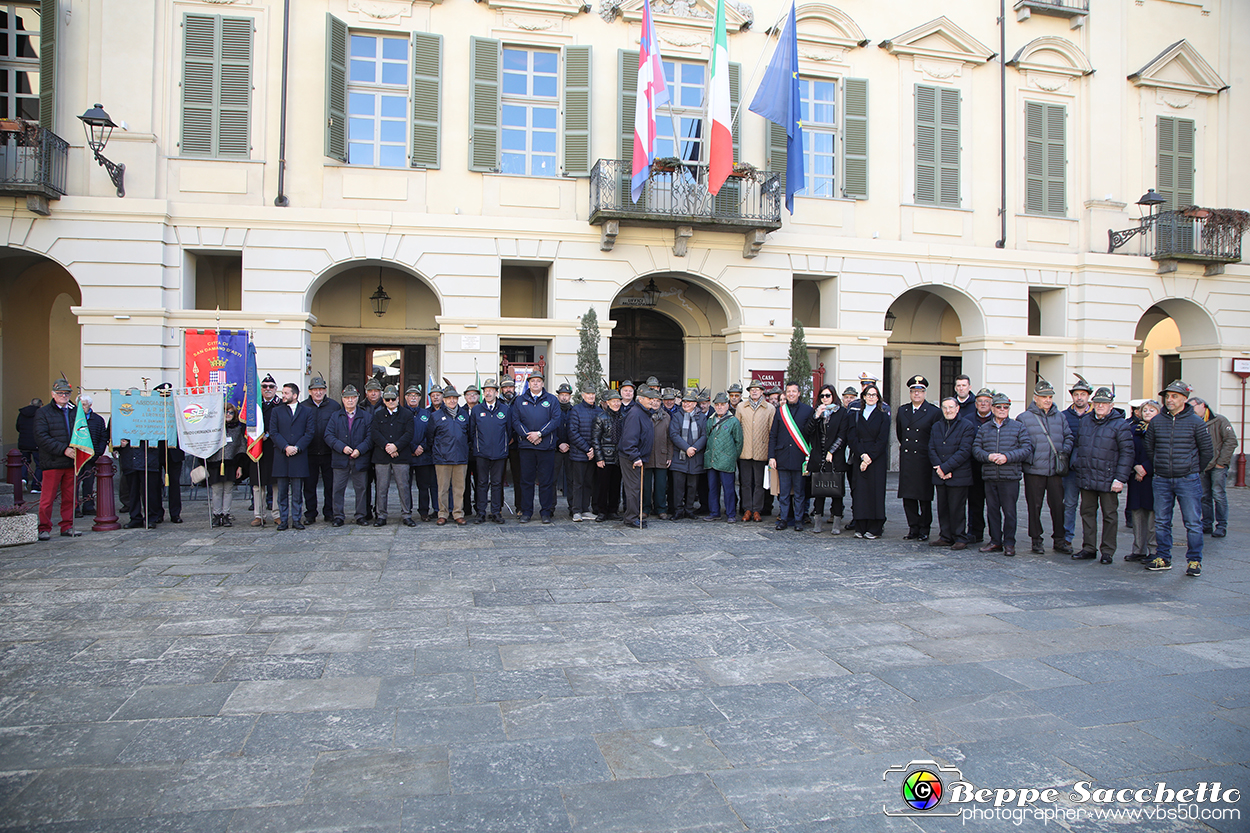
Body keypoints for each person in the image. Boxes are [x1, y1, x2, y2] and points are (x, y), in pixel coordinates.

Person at [1144, 380, 1214, 576]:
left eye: (1174, 396)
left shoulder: (1196, 422)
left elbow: (1207, 451)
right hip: (1162, 479)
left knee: (1192, 522)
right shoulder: (1157, 421)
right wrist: (1159, 465)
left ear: (1184, 398)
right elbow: (1150, 448)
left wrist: (1193, 469)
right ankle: (1163, 557)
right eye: (1167, 396)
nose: (1169, 400)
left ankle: (1194, 560)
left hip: (1188, 479)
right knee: (1162, 521)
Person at [1070, 387, 1134, 564]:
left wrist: (1120, 478)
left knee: (1110, 516)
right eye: (1097, 403)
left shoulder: (1120, 425)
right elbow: (1078, 446)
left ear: (1111, 406)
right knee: (1087, 513)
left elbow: (1127, 453)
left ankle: (1107, 551)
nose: (1100, 406)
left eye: (1104, 403)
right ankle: (1089, 548)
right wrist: (1077, 464)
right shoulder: (1086, 422)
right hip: (1087, 476)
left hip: (1109, 478)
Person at [973, 392, 1033, 557]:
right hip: (990, 476)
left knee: (1010, 512)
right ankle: (995, 541)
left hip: (1010, 477)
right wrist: (988, 457)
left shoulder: (1018, 427)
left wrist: (1007, 457)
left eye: (1005, 407)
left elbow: (1026, 449)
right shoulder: (984, 428)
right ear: (993, 408)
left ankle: (1009, 543)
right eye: (998, 406)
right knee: (992, 511)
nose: (1002, 409)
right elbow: (976, 450)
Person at [1021, 379, 1075, 555]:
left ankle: (1060, 539)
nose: (1048, 400)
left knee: (1058, 506)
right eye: (1044, 397)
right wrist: (1031, 457)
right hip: (1034, 470)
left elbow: (1069, 437)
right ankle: (1036, 540)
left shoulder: (1060, 416)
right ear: (1035, 397)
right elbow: (1021, 442)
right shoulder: (1024, 418)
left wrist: (1063, 453)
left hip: (1055, 470)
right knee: (1034, 507)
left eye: (1050, 397)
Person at [32, 379, 84, 540]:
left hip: (71, 461)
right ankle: (44, 528)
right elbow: (41, 437)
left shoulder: (75, 411)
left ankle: (67, 526)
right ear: (53, 394)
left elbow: (82, 431)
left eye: (67, 393)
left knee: (70, 497)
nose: (64, 396)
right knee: (47, 498)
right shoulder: (43, 412)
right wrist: (64, 450)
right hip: (53, 461)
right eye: (60, 393)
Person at [509, 371, 562, 524]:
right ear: (529, 383)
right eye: (533, 381)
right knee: (526, 481)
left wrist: (539, 434)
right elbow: (516, 421)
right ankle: (526, 512)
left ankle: (545, 512)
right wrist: (529, 435)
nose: (536, 383)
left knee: (546, 481)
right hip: (526, 447)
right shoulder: (520, 400)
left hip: (546, 447)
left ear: (543, 383)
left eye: (538, 381)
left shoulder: (552, 400)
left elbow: (555, 420)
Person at [895, 375, 941, 541]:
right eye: (914, 391)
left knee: (924, 497)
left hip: (923, 459)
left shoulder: (934, 412)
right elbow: (901, 433)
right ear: (910, 393)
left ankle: (924, 528)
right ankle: (913, 527)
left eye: (920, 391)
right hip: (908, 459)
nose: (916, 394)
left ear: (925, 393)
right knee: (908, 497)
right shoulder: (903, 410)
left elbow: (935, 436)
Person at [928, 396, 977, 549]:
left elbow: (964, 451)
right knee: (942, 507)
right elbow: (931, 448)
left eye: (951, 407)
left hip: (958, 474)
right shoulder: (936, 426)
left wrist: (946, 468)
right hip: (940, 474)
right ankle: (945, 536)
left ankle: (960, 537)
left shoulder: (967, 426)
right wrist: (939, 468)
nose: (948, 410)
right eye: (945, 407)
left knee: (957, 507)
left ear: (957, 409)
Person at [768, 382, 815, 531]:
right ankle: (784, 519)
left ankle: (799, 520)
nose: (791, 394)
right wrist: (772, 456)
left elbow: (810, 434)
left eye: (794, 391)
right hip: (782, 457)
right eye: (788, 391)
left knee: (800, 493)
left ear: (799, 393)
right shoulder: (780, 411)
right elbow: (773, 435)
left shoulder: (808, 411)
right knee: (784, 492)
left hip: (800, 458)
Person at [324, 384, 372, 526]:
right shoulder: (335, 416)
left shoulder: (366, 416)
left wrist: (360, 450)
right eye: (347, 398)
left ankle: (360, 515)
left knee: (361, 489)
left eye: (353, 398)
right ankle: (338, 516)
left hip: (360, 458)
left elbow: (370, 437)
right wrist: (342, 447)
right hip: (340, 458)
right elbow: (328, 435)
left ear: (358, 399)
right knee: (338, 488)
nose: (350, 400)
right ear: (342, 400)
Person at [1189, 397, 1236, 538]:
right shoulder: (1193, 422)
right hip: (1202, 464)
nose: (1190, 410)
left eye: (1193, 406)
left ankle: (1221, 525)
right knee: (1204, 495)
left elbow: (1231, 441)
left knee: (1218, 494)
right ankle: (1206, 524)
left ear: (1202, 405)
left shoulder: (1220, 420)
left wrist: (1222, 462)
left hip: (1218, 465)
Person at [269, 382, 313, 530]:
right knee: (281, 492)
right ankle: (283, 520)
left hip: (299, 456)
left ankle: (296, 519)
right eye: (283, 393)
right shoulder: (277, 411)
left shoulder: (306, 411)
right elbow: (273, 432)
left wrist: (297, 447)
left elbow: (309, 433)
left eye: (286, 393)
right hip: (282, 455)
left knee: (297, 492)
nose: (283, 395)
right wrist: (286, 447)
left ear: (295, 395)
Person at [370, 385, 415, 527]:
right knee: (381, 488)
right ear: (383, 400)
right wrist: (387, 447)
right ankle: (381, 515)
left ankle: (407, 515)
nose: (391, 401)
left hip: (401, 456)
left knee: (404, 487)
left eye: (393, 399)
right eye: (387, 399)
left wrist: (396, 446)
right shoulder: (377, 415)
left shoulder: (406, 414)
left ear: (398, 399)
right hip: (382, 456)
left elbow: (409, 434)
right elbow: (375, 433)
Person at [848, 384, 889, 538]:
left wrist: (869, 457)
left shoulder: (883, 416)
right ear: (863, 397)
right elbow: (852, 437)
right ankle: (860, 526)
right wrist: (862, 456)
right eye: (868, 394)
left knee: (875, 492)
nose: (871, 397)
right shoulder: (855, 415)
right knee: (860, 492)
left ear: (878, 398)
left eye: (874, 394)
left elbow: (882, 439)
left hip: (876, 459)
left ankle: (875, 527)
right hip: (860, 456)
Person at [300, 375, 340, 525]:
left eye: (321, 389)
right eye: (315, 390)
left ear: (325, 391)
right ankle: (310, 513)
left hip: (329, 452)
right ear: (310, 391)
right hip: (309, 453)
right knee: (309, 485)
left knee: (330, 485)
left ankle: (329, 512)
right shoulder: (303, 406)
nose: (318, 392)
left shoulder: (334, 406)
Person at [807, 385, 847, 533]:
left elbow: (843, 434)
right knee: (819, 492)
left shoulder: (841, 412)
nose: (825, 398)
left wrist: (832, 451)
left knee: (836, 491)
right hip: (819, 455)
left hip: (835, 457)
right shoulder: (817, 412)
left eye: (828, 396)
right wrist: (816, 416)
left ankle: (836, 522)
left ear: (834, 397)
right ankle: (818, 522)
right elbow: (808, 431)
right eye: (822, 396)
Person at [470, 379, 510, 524]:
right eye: (486, 390)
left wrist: (503, 446)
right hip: (482, 454)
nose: (488, 392)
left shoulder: (505, 409)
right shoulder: (476, 410)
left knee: (497, 483)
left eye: (491, 390)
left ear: (496, 392)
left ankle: (496, 512)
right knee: (481, 483)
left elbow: (509, 431)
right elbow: (471, 431)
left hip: (499, 453)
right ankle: (480, 512)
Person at [430, 385, 471, 525]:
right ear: (444, 400)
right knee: (442, 489)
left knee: (459, 489)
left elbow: (469, 435)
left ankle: (458, 513)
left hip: (460, 458)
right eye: (449, 398)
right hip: (442, 458)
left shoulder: (464, 415)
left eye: (454, 398)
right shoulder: (435, 416)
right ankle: (443, 514)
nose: (452, 401)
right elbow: (430, 437)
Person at [1061, 375, 1094, 548]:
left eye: (1083, 394)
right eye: (1076, 394)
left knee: (1089, 507)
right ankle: (1067, 536)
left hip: (1091, 467)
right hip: (1070, 468)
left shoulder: (1096, 415)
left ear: (1088, 396)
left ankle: (1090, 542)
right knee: (1069, 503)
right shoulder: (1064, 416)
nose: (1079, 397)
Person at [735, 380, 774, 522]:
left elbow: (772, 431)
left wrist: (771, 453)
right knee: (745, 482)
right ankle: (747, 509)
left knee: (759, 483)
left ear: (762, 391)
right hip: (744, 451)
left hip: (761, 452)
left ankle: (757, 510)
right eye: (752, 389)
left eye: (757, 389)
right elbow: (736, 428)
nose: (755, 392)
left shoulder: (769, 408)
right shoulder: (741, 407)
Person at [618, 385, 657, 528]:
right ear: (640, 399)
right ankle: (631, 518)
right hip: (631, 458)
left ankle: (633, 515)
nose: (652, 401)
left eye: (653, 398)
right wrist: (635, 457)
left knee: (636, 488)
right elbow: (629, 439)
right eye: (649, 398)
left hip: (638, 456)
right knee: (633, 489)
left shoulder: (644, 412)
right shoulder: (635, 413)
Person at [1125, 400, 1159, 562]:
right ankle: (1138, 549)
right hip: (1136, 478)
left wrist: (1145, 468)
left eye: (1151, 410)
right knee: (1137, 513)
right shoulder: (1134, 429)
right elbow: (1127, 450)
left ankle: (1153, 549)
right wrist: (1136, 467)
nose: (1147, 413)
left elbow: (1162, 453)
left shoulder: (1161, 430)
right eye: (1145, 410)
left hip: (1153, 478)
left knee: (1152, 515)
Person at [668, 389, 708, 521]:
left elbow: (704, 435)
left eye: (689, 402)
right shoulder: (677, 416)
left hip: (695, 457)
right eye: (684, 401)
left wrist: (694, 448)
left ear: (695, 403)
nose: (686, 404)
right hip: (679, 457)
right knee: (678, 486)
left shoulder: (701, 417)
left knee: (692, 486)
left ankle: (689, 509)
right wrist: (687, 448)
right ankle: (678, 510)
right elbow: (674, 435)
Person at [703, 392, 743, 522]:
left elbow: (739, 442)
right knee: (712, 488)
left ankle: (731, 514)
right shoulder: (710, 420)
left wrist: (732, 457)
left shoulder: (733, 421)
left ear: (727, 406)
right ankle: (714, 512)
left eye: (722, 405)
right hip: (712, 459)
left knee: (728, 489)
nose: (720, 407)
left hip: (726, 460)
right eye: (717, 405)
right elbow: (708, 438)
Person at [207, 403, 245, 527]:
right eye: (225, 412)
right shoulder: (214, 428)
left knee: (228, 490)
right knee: (217, 490)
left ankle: (226, 514)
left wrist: (240, 465)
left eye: (231, 412)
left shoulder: (237, 429)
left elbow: (241, 447)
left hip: (230, 463)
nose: (228, 415)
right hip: (215, 463)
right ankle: (216, 515)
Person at [964, 388, 994, 544]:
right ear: (975, 404)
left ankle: (996, 535)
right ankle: (975, 532)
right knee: (974, 502)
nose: (983, 404)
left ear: (991, 404)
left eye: (987, 401)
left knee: (994, 503)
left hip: (993, 467)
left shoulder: (997, 419)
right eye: (980, 401)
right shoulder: (968, 419)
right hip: (973, 467)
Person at [565, 383, 598, 522]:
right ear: (582, 395)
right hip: (579, 454)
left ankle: (585, 509)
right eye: (588, 394)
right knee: (577, 483)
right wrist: (587, 449)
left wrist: (594, 450)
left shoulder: (599, 410)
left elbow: (600, 432)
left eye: (593, 394)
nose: (591, 396)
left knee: (589, 483)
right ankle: (576, 510)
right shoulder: (576, 410)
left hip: (592, 454)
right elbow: (572, 432)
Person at [592, 389, 624, 521]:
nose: (616, 404)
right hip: (605, 457)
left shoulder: (623, 417)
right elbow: (595, 439)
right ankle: (602, 511)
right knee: (602, 486)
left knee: (615, 486)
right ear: (607, 403)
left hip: (619, 457)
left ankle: (613, 510)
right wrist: (599, 458)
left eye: (618, 401)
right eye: (613, 401)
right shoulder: (601, 417)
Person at [75, 395, 108, 516]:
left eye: (84, 404)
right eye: (79, 404)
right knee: (74, 483)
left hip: (91, 456)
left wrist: (98, 452)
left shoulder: (98, 420)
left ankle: (88, 506)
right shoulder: (72, 418)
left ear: (90, 405)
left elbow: (103, 437)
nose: (81, 407)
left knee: (89, 483)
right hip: (76, 456)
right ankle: (74, 507)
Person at [642, 390, 672, 519]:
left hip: (662, 454)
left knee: (661, 485)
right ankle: (645, 508)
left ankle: (661, 509)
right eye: (653, 400)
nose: (655, 403)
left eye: (658, 400)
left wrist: (669, 456)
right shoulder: (643, 415)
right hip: (646, 455)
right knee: (646, 485)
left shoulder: (666, 417)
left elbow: (670, 439)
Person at [412, 387, 441, 521]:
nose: (413, 398)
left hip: (426, 455)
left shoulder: (427, 414)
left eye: (438, 395)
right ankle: (407, 512)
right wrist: (413, 447)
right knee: (407, 486)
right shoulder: (404, 413)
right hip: (408, 454)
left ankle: (431, 510)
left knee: (430, 485)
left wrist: (422, 447)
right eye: (433, 395)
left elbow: (430, 433)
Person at [554, 382, 574, 516]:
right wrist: (558, 444)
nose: (564, 398)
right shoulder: (552, 410)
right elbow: (550, 428)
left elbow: (577, 429)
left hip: (571, 450)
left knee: (572, 480)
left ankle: (573, 507)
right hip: (555, 450)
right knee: (552, 480)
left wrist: (570, 444)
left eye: (566, 395)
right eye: (562, 395)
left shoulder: (574, 411)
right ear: (558, 396)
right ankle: (550, 508)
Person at [16, 397, 42, 491]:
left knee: (24, 462)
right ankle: (36, 486)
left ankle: (23, 480)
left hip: (23, 443)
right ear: (40, 405)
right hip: (36, 443)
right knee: (39, 464)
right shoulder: (40, 413)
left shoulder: (22, 413)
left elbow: (18, 427)